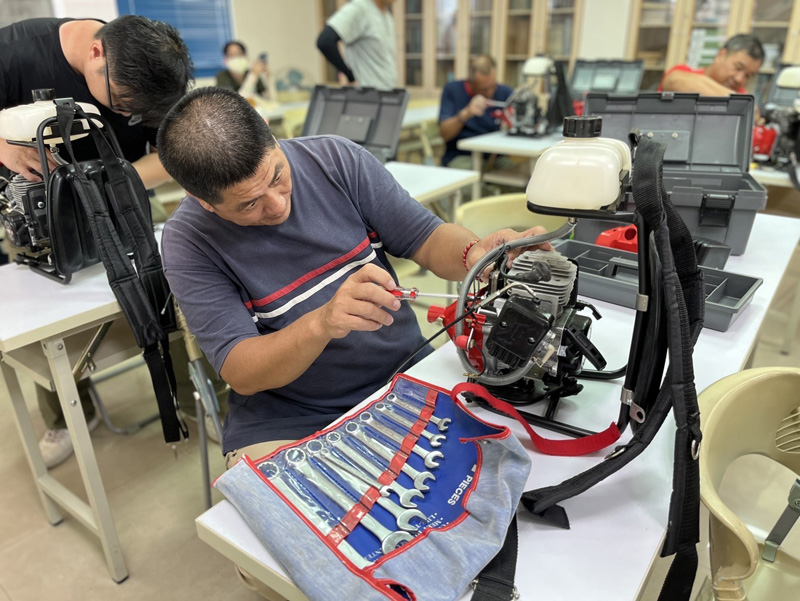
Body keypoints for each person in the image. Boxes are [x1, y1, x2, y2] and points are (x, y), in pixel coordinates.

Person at [157, 86, 551, 598]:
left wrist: (478, 252)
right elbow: (241, 368)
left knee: (509, 487)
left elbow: (428, 239)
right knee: (333, 558)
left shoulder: (335, 160)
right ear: (201, 200)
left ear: (272, 136)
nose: (277, 205)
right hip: (289, 415)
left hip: (403, 375)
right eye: (249, 204)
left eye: (277, 175)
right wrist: (321, 323)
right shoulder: (188, 240)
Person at [0, 15, 193, 467]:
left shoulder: (149, 68)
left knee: (175, 290)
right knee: (49, 326)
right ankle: (69, 414)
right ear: (95, 53)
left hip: (125, 197)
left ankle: (191, 394)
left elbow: (172, 150)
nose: (127, 116)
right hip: (41, 215)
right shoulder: (14, 53)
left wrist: (112, 183)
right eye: (122, 104)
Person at [438, 54, 514, 169]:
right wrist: (466, 114)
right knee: (472, 183)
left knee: (520, 179)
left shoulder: (505, 93)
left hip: (495, 156)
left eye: (493, 86)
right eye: (483, 89)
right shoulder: (452, 90)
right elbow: (444, 134)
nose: (489, 93)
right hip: (462, 155)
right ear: (470, 82)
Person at [317, 0, 396, 90]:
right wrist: (349, 74)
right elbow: (325, 41)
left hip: (386, 93)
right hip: (366, 95)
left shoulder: (387, 17)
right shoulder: (360, 9)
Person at [659, 34, 764, 95]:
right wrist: (737, 103)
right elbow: (674, 81)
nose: (739, 79)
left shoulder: (740, 93)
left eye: (748, 76)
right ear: (721, 55)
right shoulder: (684, 73)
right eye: (738, 68)